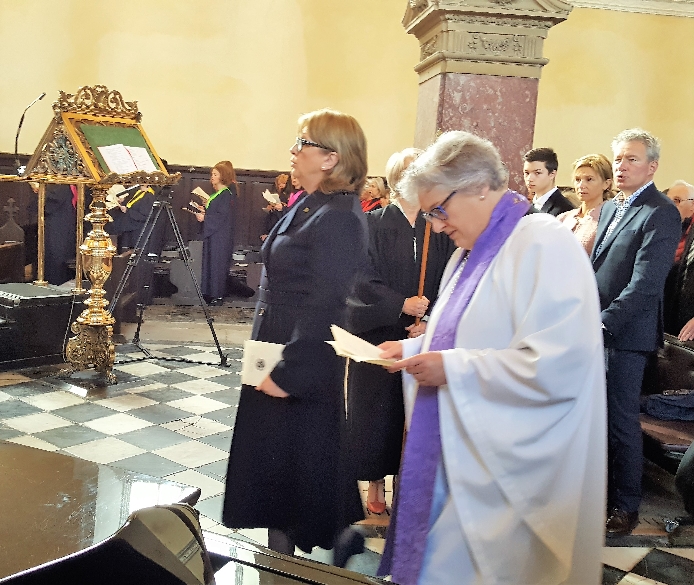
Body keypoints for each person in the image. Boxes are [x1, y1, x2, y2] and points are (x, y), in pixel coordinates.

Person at [377, 131, 606, 585]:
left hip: (504, 474)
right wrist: (413, 350)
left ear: (480, 186)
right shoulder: (471, 252)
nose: (436, 226)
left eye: (439, 210)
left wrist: (452, 368)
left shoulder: (543, 243)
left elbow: (559, 363)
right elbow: (465, 333)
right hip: (457, 455)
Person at [222, 109, 369, 561]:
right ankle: (312, 546)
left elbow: (328, 304)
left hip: (297, 352)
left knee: (290, 461)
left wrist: (290, 373)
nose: (292, 149)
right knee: (278, 461)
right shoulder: (310, 204)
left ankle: (299, 557)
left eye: (302, 142)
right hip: (274, 340)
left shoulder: (340, 217)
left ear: (330, 157)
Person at [346, 147, 456, 515]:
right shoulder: (371, 223)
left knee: (415, 411)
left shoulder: (438, 225)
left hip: (424, 334)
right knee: (377, 410)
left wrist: (430, 319)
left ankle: (407, 482)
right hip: (380, 331)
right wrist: (400, 304)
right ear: (397, 179)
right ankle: (376, 479)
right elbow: (360, 277)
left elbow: (451, 277)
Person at [591, 128, 681, 535]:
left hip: (625, 335)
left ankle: (626, 505)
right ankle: (599, 494)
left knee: (620, 421)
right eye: (618, 158)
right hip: (596, 328)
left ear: (652, 166)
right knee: (596, 417)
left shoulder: (660, 211)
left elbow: (645, 284)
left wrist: (603, 323)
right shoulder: (612, 206)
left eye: (631, 159)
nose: (621, 166)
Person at [195, 161, 237, 306]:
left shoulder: (226, 194)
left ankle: (217, 295)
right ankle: (209, 293)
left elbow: (221, 216)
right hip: (214, 234)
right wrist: (204, 211)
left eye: (215, 174)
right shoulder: (218, 194)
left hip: (220, 235)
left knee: (217, 264)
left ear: (223, 176)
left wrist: (205, 218)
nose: (212, 177)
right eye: (212, 174)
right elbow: (215, 212)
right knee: (211, 263)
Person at [557, 154, 613, 254]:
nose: (581, 185)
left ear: (606, 184)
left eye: (589, 179)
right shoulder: (563, 218)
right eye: (577, 180)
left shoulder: (610, 220)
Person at [665, 181, 694, 339]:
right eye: (668, 201)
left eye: (677, 201)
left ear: (692, 206)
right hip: (671, 318)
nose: (671, 206)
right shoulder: (671, 230)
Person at [523, 147, 575, 215]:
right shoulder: (527, 206)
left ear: (552, 174)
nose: (529, 179)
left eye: (537, 173)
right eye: (527, 173)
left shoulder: (565, 209)